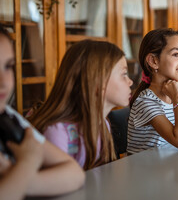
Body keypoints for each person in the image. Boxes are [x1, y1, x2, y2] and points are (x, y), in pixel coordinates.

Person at [0, 24, 85, 200]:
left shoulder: (8, 116)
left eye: (8, 66)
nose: (4, 82)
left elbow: (74, 174)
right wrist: (27, 163)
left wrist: (18, 178)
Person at [29, 40, 133, 170]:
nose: (130, 81)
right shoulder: (57, 132)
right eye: (123, 74)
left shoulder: (103, 123)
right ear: (97, 82)